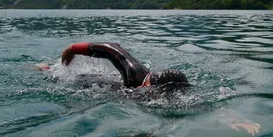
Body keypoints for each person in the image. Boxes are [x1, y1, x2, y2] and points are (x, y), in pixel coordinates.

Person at [61, 42, 189, 91]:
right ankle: (47, 69)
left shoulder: (176, 96)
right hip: (105, 86)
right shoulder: (136, 74)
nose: (142, 88)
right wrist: (71, 49)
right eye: (145, 86)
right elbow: (111, 49)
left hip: (123, 93)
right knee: (79, 81)